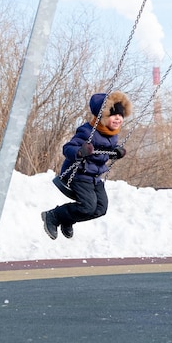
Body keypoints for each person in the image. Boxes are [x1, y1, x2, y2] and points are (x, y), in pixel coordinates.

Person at [41, 90, 132, 240]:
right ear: (102, 116)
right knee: (87, 207)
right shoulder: (87, 131)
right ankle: (53, 216)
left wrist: (115, 152)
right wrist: (80, 152)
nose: (118, 118)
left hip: (95, 177)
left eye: (120, 115)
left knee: (101, 209)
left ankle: (67, 219)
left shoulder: (112, 134)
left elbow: (105, 150)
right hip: (79, 175)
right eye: (113, 115)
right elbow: (67, 148)